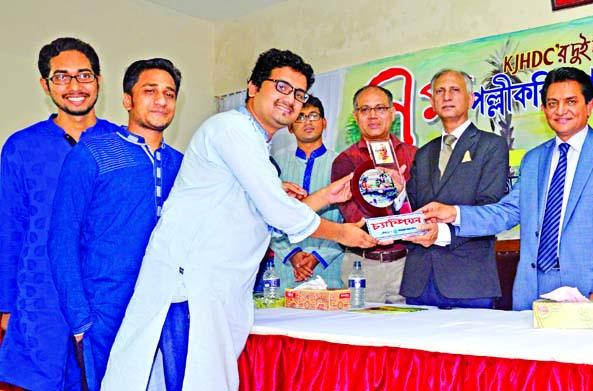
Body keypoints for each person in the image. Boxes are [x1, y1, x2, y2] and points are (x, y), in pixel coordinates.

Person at [101, 49, 377, 391]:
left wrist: (325, 197)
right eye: (281, 86)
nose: (290, 99)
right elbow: (278, 211)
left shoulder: (257, 147)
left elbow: (262, 214)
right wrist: (344, 234)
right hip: (188, 289)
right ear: (253, 87)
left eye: (299, 93)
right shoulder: (230, 128)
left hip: (218, 290)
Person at [421, 67, 593, 311]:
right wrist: (455, 213)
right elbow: (506, 212)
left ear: (590, 105)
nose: (561, 110)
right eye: (552, 103)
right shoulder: (533, 160)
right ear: (544, 109)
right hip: (536, 292)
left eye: (571, 101)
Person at [47, 58, 184, 391]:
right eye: (150, 91)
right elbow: (61, 239)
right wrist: (80, 319)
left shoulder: (183, 165)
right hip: (105, 307)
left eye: (169, 93)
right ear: (127, 100)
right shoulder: (92, 154)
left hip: (166, 309)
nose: (161, 100)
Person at [0, 37, 119, 390]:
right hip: (42, 296)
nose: (74, 86)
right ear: (45, 84)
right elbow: (10, 228)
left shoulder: (122, 144)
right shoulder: (22, 147)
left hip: (106, 296)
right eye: (61, 77)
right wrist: (7, 304)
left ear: (99, 79)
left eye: (83, 75)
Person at [400, 69, 508, 308]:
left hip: (468, 281)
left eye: (454, 90)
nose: (446, 96)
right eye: (440, 91)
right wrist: (396, 193)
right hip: (419, 282)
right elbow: (413, 209)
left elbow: (490, 210)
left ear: (470, 99)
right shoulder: (424, 153)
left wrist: (442, 233)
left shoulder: (491, 146)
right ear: (432, 102)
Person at [331, 85, 417, 304]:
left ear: (392, 112)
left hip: (407, 264)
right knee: (361, 334)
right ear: (356, 116)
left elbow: (422, 208)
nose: (372, 116)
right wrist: (386, 194)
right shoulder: (345, 161)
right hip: (363, 265)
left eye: (380, 108)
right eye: (365, 109)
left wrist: (400, 195)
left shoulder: (414, 155)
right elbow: (354, 217)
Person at [270, 95, 345, 289]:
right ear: (290, 126)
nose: (308, 122)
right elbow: (267, 217)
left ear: (324, 122)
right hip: (287, 270)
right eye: (300, 117)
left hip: (329, 269)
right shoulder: (273, 166)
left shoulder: (342, 164)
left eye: (313, 115)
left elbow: (348, 221)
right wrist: (292, 254)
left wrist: (318, 257)